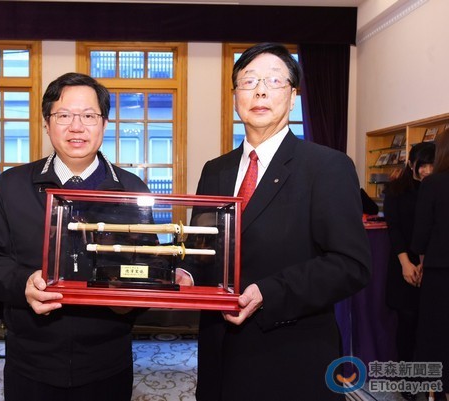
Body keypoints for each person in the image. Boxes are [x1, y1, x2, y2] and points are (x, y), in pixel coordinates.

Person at [191, 43, 372, 400]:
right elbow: (202, 245)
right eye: (249, 81)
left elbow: (351, 265)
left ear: (292, 98)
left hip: (291, 355)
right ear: (235, 97)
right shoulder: (215, 170)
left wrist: (268, 293)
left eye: (274, 81)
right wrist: (186, 271)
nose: (260, 91)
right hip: (219, 352)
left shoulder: (327, 167)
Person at [0, 72, 151, 401]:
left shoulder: (132, 190)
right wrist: (23, 284)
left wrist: (131, 303)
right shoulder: (11, 185)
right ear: (46, 123)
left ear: (104, 123)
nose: (76, 127)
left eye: (89, 116)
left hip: (107, 362)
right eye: (64, 115)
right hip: (30, 361)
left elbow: (150, 270)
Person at [383, 142, 435, 401]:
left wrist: (426, 263)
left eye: (431, 165)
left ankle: (426, 381)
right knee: (406, 324)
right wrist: (406, 263)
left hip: (430, 264)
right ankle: (407, 381)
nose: (426, 170)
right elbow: (394, 229)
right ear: (411, 163)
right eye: (422, 165)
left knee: (427, 327)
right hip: (402, 262)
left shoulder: (435, 188)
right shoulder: (395, 189)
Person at [412, 129, 449, 401]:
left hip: (439, 272)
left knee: (436, 336)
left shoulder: (433, 184)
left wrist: (421, 260)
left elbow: (420, 236)